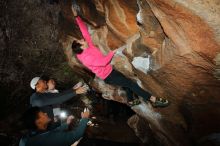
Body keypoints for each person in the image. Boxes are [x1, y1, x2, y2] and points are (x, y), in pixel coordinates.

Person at [71, 7, 169, 107]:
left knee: (126, 83)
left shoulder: (88, 45)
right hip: (108, 76)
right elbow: (102, 62)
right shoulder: (86, 58)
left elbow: (84, 31)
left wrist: (76, 16)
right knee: (131, 84)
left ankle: (131, 100)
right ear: (82, 46)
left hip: (110, 71)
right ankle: (153, 100)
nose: (83, 39)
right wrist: (112, 52)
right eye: (81, 41)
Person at [19, 106, 90, 146]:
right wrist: (85, 118)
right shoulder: (44, 141)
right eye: (42, 114)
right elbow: (76, 134)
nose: (46, 113)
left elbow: (51, 133)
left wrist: (66, 124)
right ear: (38, 122)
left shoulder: (29, 137)